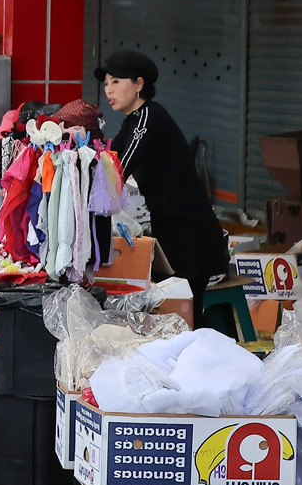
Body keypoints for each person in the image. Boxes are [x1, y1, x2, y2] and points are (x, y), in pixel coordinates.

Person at [98, 49, 230, 300]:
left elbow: (119, 168)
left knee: (186, 310)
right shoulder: (131, 122)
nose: (108, 90)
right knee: (175, 310)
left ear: (138, 84)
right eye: (106, 83)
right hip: (167, 226)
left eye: (116, 81)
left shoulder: (149, 116)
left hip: (190, 230)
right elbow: (110, 160)